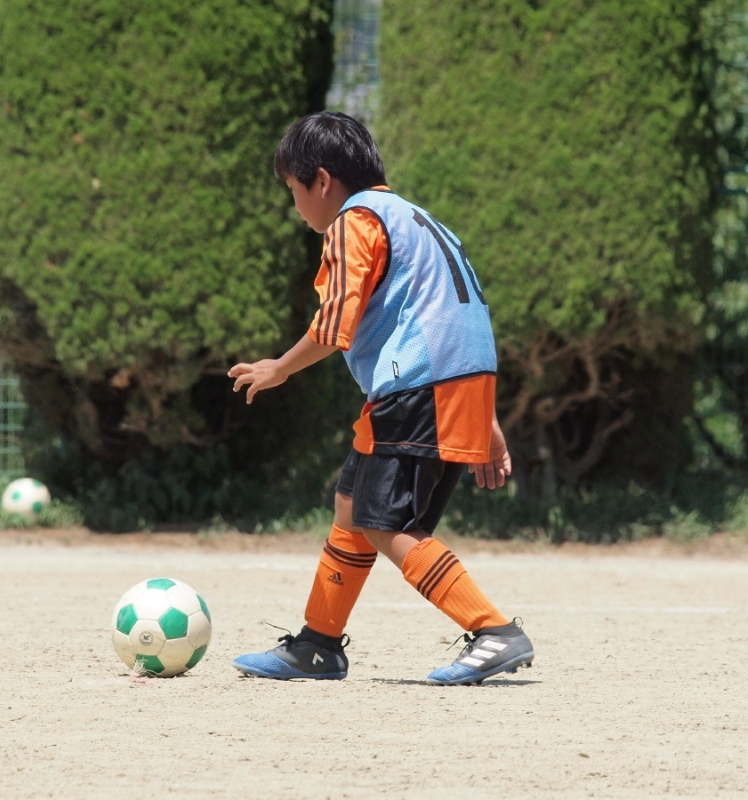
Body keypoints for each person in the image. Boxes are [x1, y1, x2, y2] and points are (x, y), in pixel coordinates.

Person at [227, 111, 534, 686]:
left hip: (417, 385)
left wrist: (278, 368)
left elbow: (334, 324)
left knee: (387, 523)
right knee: (352, 506)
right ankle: (317, 645)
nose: (296, 206)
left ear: (321, 181)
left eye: (293, 190)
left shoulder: (355, 221)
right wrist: (484, 414)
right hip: (452, 383)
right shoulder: (417, 218)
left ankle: (493, 630)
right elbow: (460, 315)